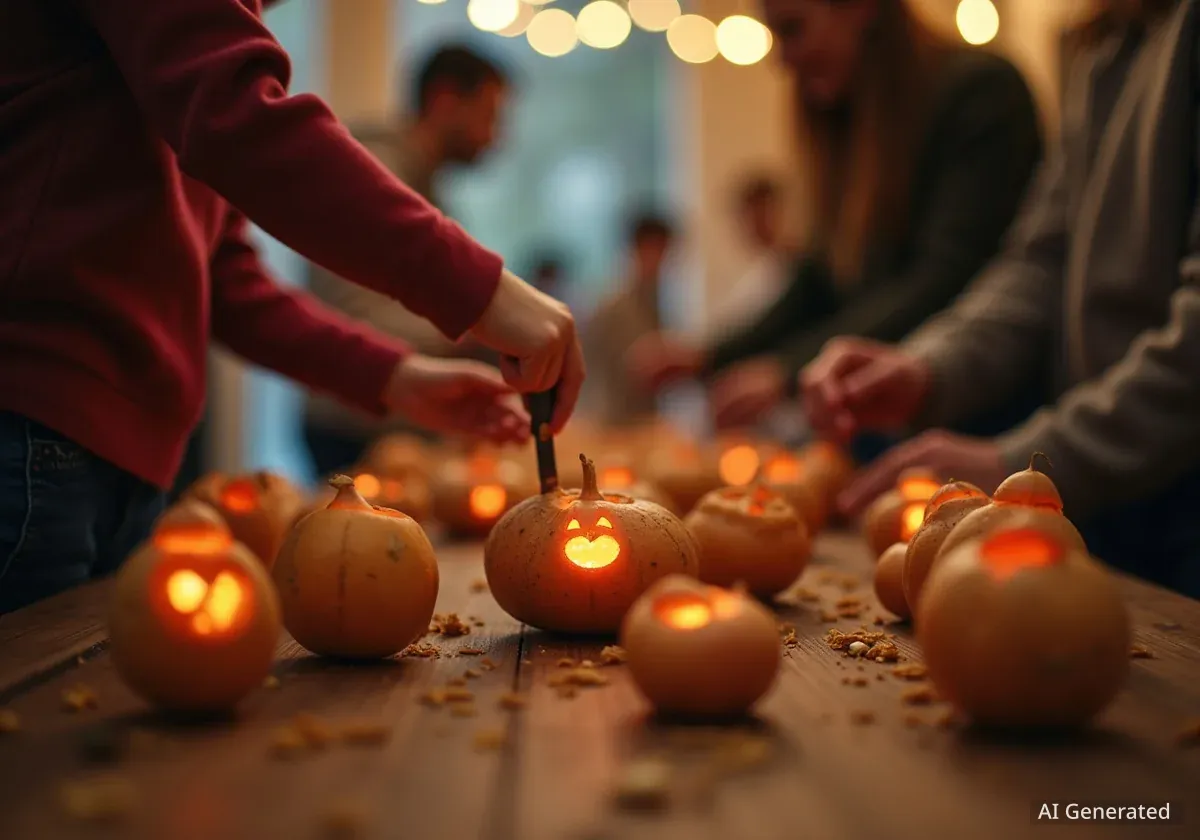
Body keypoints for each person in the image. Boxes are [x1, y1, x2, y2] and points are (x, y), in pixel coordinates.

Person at [0, 0, 583, 614]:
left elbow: (230, 286)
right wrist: (481, 292)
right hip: (31, 427)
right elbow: (243, 119)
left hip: (118, 463)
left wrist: (394, 377)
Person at [803, 0, 1199, 597]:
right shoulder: (1106, 51)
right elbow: (1037, 263)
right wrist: (929, 367)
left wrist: (1020, 460)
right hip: (1107, 490)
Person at [627, 0, 1042, 432]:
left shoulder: (980, 93)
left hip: (981, 423)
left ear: (858, 8)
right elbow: (822, 279)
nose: (781, 59)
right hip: (892, 425)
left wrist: (785, 371)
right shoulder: (850, 121)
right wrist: (709, 355)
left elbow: (946, 278)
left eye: (792, 29)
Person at [304, 44, 512, 474]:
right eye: (489, 115)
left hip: (387, 414)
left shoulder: (424, 185)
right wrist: (476, 330)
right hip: (356, 424)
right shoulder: (376, 173)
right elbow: (353, 308)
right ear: (445, 99)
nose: (495, 136)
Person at [582, 215, 676, 427]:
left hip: (643, 416)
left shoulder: (655, 300)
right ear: (635, 249)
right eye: (653, 249)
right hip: (612, 419)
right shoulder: (612, 305)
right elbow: (592, 371)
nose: (659, 259)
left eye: (664, 251)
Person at [706, 174, 794, 338]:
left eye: (761, 213)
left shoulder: (792, 270)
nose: (752, 224)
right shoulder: (758, 272)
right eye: (745, 216)